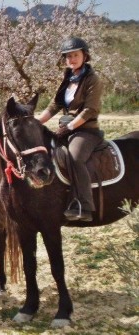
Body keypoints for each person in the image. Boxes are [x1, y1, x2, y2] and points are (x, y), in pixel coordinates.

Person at [37, 37, 104, 222]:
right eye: (68, 56)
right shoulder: (68, 76)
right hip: (66, 128)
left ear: (85, 55)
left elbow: (90, 110)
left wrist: (70, 126)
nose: (71, 59)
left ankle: (84, 206)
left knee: (75, 157)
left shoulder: (93, 80)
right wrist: (37, 122)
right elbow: (55, 104)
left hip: (86, 131)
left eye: (75, 55)